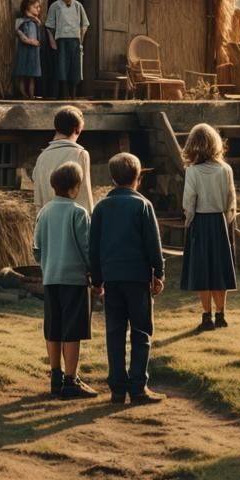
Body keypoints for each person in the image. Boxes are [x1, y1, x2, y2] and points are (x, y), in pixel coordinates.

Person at [89, 152, 165, 405]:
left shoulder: (101, 207)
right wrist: (159, 273)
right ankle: (138, 387)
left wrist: (97, 279)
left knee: (115, 332)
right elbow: (153, 245)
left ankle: (117, 389)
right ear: (138, 178)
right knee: (141, 331)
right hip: (137, 277)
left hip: (112, 278)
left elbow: (94, 247)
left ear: (112, 178)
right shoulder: (142, 206)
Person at [33, 160, 97, 399]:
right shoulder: (78, 213)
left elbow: (36, 248)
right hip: (74, 279)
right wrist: (92, 272)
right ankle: (71, 379)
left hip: (51, 278)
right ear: (75, 187)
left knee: (54, 327)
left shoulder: (44, 212)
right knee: (73, 329)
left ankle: (55, 376)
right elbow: (87, 247)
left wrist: (47, 264)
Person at [180, 123, 237, 333]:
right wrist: (228, 220)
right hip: (220, 222)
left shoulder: (192, 171)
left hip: (201, 223)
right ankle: (221, 314)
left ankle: (207, 316)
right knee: (220, 270)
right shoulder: (226, 169)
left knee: (202, 271)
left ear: (192, 145)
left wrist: (189, 221)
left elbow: (189, 201)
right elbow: (231, 200)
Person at [33, 105, 94, 214]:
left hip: (47, 220)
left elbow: (38, 198)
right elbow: (85, 197)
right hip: (72, 221)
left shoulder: (42, 157)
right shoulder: (80, 154)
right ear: (77, 130)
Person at [45, 0, 89, 99]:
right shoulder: (55, 6)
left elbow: (84, 25)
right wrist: (52, 40)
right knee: (62, 67)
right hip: (62, 40)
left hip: (75, 40)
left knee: (75, 67)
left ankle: (74, 95)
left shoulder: (78, 6)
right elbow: (49, 26)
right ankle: (64, 95)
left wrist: (81, 40)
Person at [12, 0, 41, 99]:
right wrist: (29, 41)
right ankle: (24, 94)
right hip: (24, 50)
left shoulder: (35, 22)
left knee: (32, 75)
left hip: (33, 52)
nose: (38, 9)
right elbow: (19, 34)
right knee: (22, 74)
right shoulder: (21, 21)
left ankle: (31, 95)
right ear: (28, 7)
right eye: (35, 7)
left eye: (39, 7)